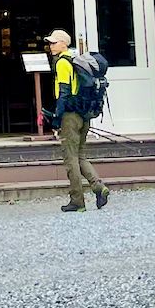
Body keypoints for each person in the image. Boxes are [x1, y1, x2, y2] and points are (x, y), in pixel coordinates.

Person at [46, 29, 108, 213]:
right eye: (50, 43)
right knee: (80, 155)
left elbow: (64, 91)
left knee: (70, 158)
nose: (51, 46)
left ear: (64, 43)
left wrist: (57, 117)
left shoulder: (63, 63)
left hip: (70, 116)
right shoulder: (75, 60)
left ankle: (77, 201)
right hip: (84, 114)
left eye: (54, 42)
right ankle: (98, 187)